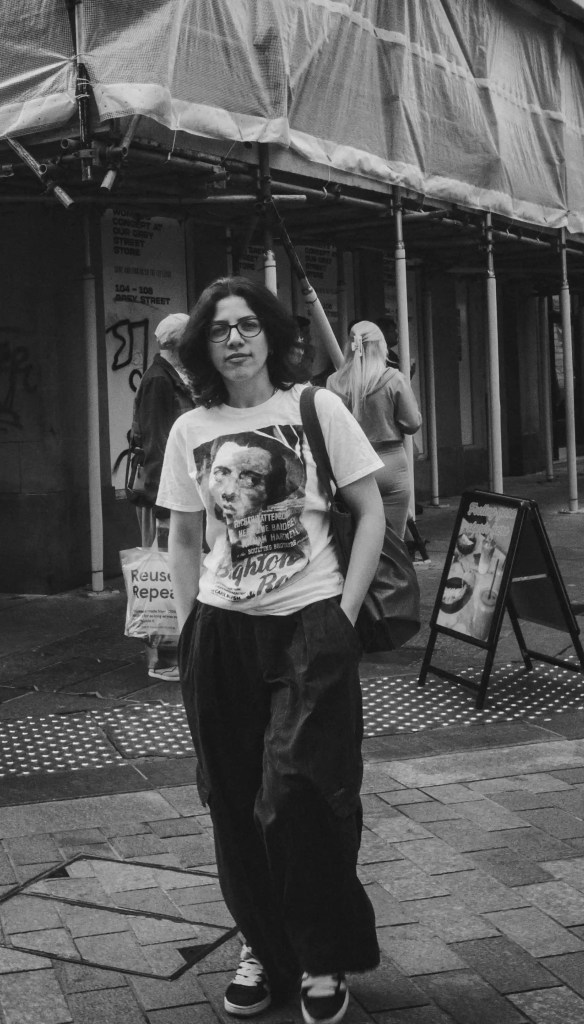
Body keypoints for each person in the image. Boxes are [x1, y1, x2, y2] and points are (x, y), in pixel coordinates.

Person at [156, 276, 384, 1023]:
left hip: (307, 625)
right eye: (219, 328)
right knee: (231, 801)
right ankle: (262, 946)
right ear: (202, 345)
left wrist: (341, 615)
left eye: (248, 324)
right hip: (220, 632)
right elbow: (183, 536)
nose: (234, 339)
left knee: (300, 796)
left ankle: (321, 955)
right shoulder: (191, 428)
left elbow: (371, 510)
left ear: (272, 333)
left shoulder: (314, 407)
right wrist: (191, 627)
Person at [129, 312, 194, 680]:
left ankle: (174, 654)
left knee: (171, 572)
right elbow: (156, 442)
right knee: (164, 574)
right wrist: (162, 503)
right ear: (179, 343)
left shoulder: (171, 375)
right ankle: (165, 658)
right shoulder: (159, 379)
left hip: (172, 490)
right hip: (163, 493)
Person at [326, 320, 422, 537]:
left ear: (350, 346)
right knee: (393, 541)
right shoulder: (393, 379)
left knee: (356, 538)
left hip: (352, 467)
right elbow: (412, 424)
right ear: (381, 346)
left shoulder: (333, 382)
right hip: (391, 465)